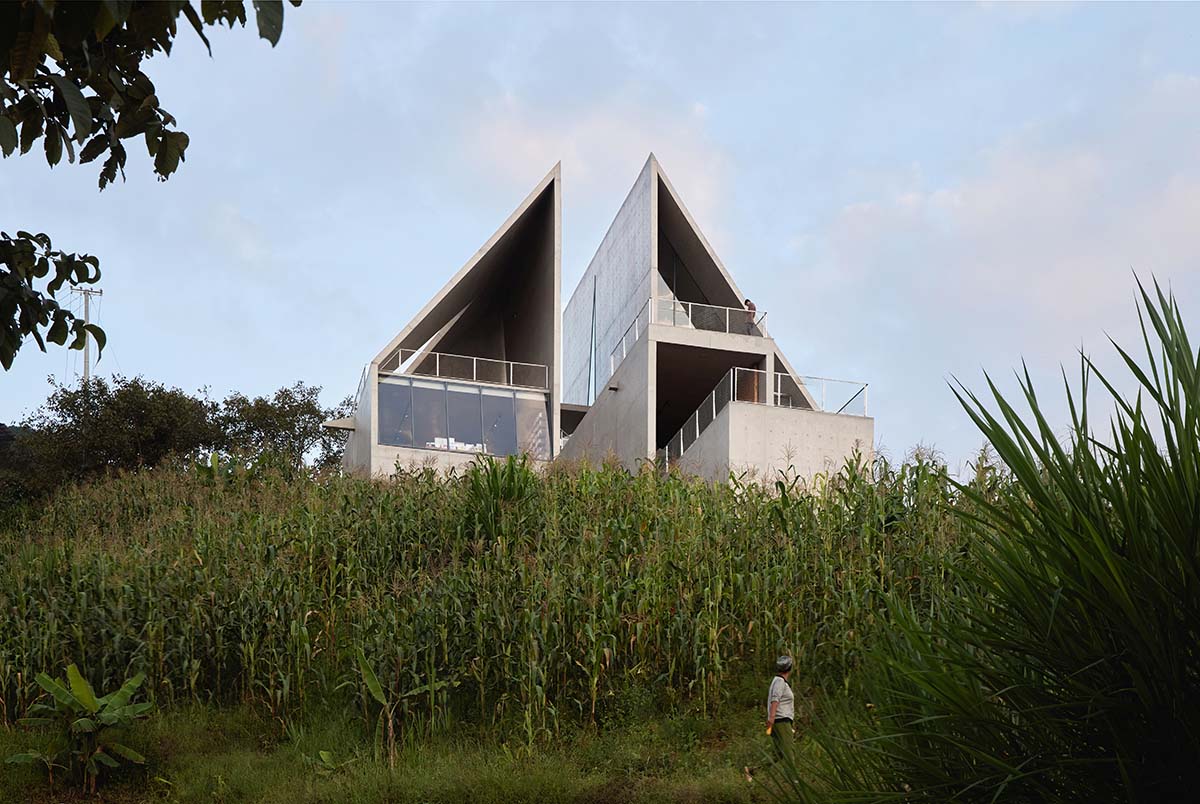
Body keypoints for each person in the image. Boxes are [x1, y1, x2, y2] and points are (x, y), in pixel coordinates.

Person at [766, 655, 795, 763]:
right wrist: (771, 719)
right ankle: (794, 779)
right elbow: (775, 699)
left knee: (779, 754)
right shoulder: (779, 682)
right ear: (790, 668)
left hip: (781, 721)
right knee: (789, 753)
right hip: (781, 721)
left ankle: (752, 771)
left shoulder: (778, 681)